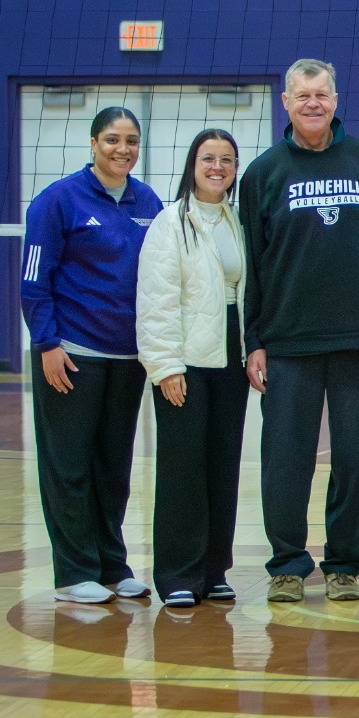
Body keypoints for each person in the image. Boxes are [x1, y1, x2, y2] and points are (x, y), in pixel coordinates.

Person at [240, 60, 359, 604]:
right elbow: (251, 265)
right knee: (286, 459)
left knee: (357, 457)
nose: (313, 104)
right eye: (302, 95)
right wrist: (254, 341)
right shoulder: (263, 174)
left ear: (336, 100)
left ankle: (344, 565)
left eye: (322, 94)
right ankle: (287, 565)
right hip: (288, 342)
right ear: (286, 103)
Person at [21, 106, 164, 604]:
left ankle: (110, 566)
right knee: (69, 464)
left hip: (128, 359)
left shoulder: (148, 201)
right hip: (73, 353)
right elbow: (34, 282)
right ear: (92, 143)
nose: (121, 149)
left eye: (130, 141)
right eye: (111, 140)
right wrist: (47, 344)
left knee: (112, 467)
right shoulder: (56, 201)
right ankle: (73, 572)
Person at [136, 129, 250, 608]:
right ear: (192, 164)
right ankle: (178, 573)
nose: (217, 167)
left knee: (222, 464)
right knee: (183, 466)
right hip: (186, 358)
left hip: (231, 355)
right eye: (208, 158)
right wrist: (165, 365)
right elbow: (156, 300)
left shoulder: (237, 220)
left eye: (227, 159)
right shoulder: (169, 223)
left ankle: (213, 568)